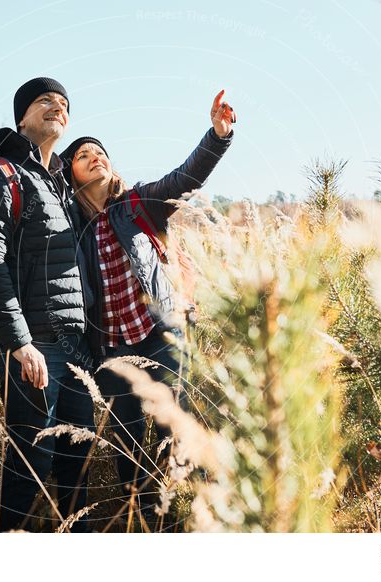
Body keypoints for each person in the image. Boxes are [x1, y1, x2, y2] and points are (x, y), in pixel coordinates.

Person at [59, 90, 235, 525]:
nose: (95, 156)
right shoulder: (73, 229)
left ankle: (187, 519)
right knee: (128, 443)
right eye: (84, 154)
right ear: (72, 173)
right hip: (113, 350)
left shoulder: (136, 204)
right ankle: (142, 520)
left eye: (100, 151)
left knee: (174, 430)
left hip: (162, 334)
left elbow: (184, 179)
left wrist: (217, 136)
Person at [0, 77, 94, 532]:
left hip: (75, 349)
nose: (56, 107)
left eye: (63, 103)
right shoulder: (0, 172)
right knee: (29, 466)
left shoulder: (58, 184)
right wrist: (18, 342)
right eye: (45, 101)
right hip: (34, 346)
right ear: (22, 117)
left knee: (77, 470)